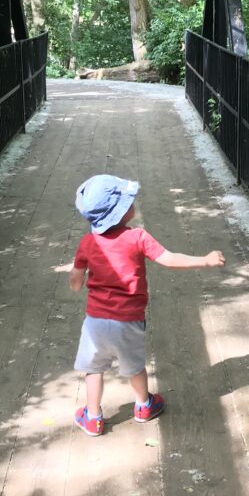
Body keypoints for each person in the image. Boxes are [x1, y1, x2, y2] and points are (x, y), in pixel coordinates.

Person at [69, 174, 225, 436]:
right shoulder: (137, 237)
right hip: (128, 320)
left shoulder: (88, 243)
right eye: (128, 201)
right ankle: (143, 405)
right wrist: (205, 260)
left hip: (95, 321)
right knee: (134, 367)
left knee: (93, 370)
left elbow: (75, 282)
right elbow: (170, 259)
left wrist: (80, 278)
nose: (133, 202)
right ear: (119, 213)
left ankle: (93, 418)